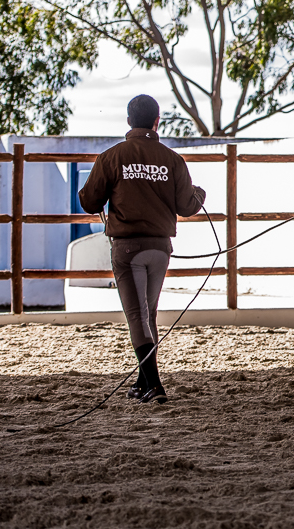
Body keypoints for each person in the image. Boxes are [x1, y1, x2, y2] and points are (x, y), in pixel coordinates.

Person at [79, 95, 206, 404]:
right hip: (161, 248)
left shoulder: (111, 157)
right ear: (156, 121)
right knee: (149, 314)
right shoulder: (172, 159)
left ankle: (154, 385)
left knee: (137, 316)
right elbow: (187, 206)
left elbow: (89, 201)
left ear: (128, 121)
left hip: (127, 249)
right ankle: (141, 384)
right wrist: (200, 193)